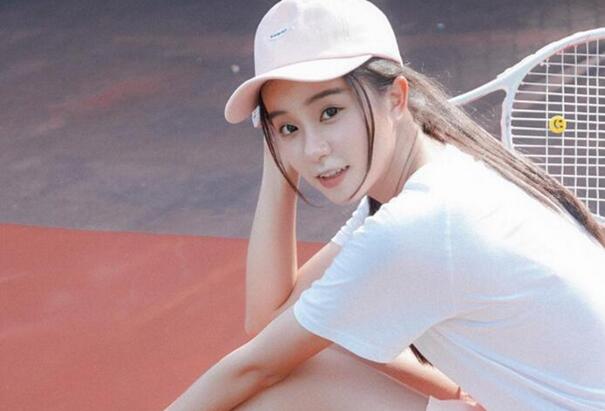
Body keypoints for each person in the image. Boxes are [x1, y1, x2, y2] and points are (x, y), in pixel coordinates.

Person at [165, 1, 605, 410]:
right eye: (289, 128)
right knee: (305, 365)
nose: (314, 149)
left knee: (272, 390)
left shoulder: (418, 223)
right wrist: (280, 154)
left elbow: (255, 367)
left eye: (330, 112)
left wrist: (288, 130)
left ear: (396, 97)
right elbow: (270, 319)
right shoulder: (437, 176)